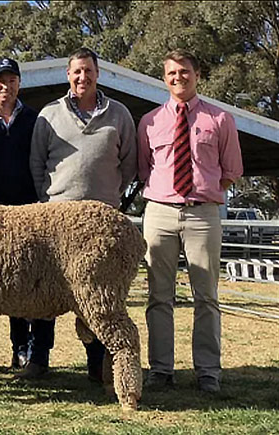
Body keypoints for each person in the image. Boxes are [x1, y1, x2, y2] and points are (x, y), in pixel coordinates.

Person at [138, 49, 243, 393]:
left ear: (197, 75)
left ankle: (208, 371)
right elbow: (143, 170)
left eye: (184, 71)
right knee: (158, 295)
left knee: (206, 296)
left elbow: (231, 171)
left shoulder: (220, 119)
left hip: (203, 213)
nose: (178, 77)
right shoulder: (150, 122)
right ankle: (160, 370)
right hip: (159, 213)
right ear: (164, 78)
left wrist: (203, 193)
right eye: (171, 73)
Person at [30, 47, 137, 382]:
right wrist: (49, 201)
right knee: (42, 289)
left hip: (99, 225)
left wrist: (108, 199)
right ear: (68, 74)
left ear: (97, 73)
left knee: (97, 293)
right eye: (76, 71)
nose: (82, 77)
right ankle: (38, 359)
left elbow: (130, 165)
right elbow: (37, 164)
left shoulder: (119, 114)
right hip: (54, 220)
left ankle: (99, 365)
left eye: (88, 70)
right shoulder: (49, 114)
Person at [0, 57, 54, 376]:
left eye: (12, 80)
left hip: (25, 211)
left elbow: (42, 160)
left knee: (22, 280)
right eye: (0, 80)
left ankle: (22, 349)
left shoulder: (33, 119)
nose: (6, 86)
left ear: (20, 83)